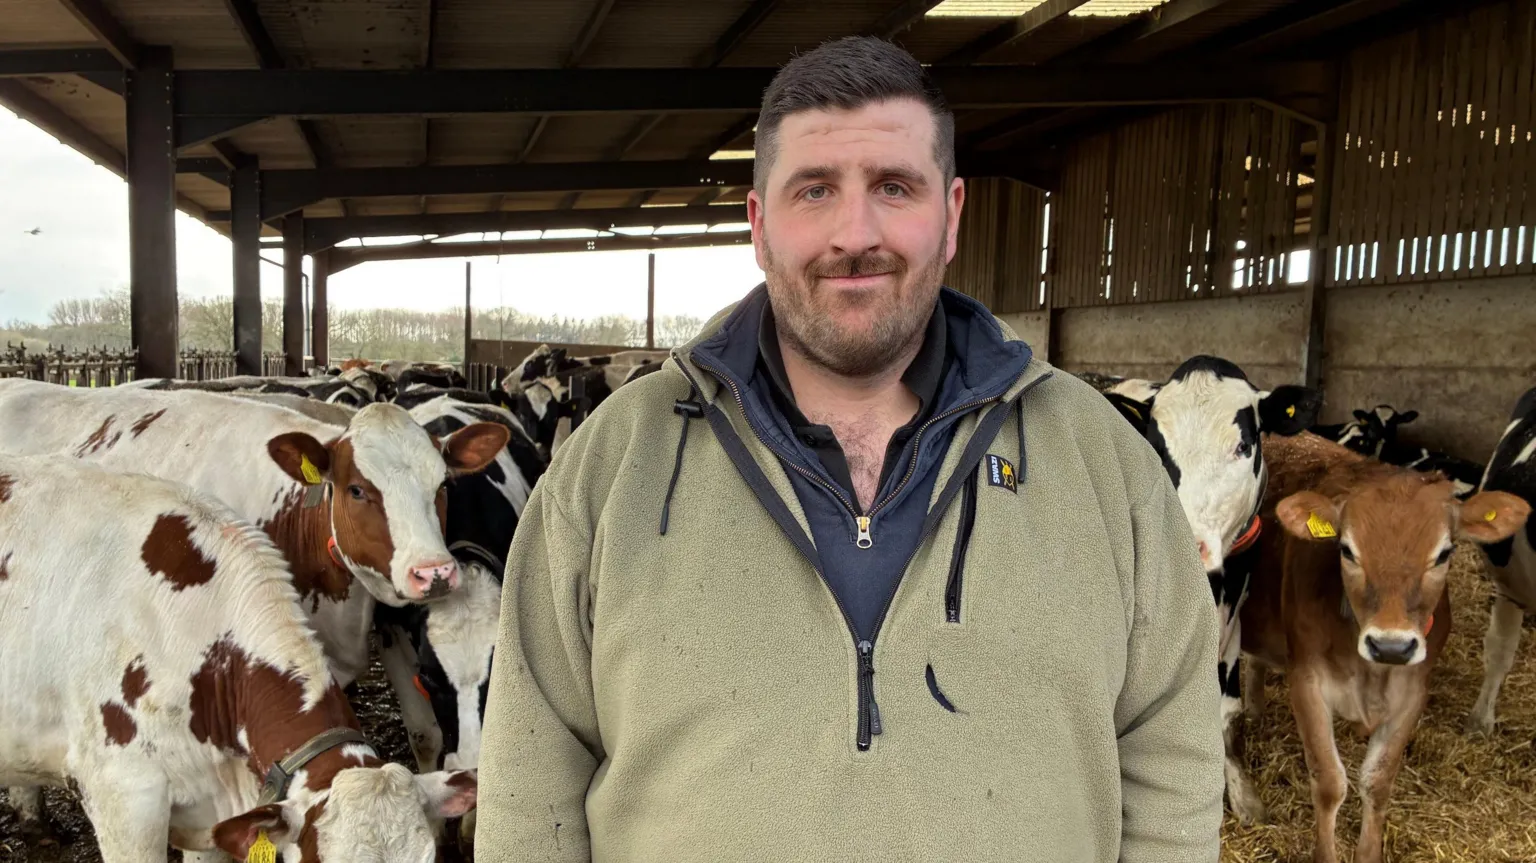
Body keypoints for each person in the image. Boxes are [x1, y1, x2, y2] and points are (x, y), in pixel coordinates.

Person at [477, 35, 1223, 862]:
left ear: (951, 215)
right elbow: (528, 786)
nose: (855, 232)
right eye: (815, 190)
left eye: (894, 187)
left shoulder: (1103, 464)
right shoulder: (613, 466)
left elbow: (1172, 753)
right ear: (759, 224)